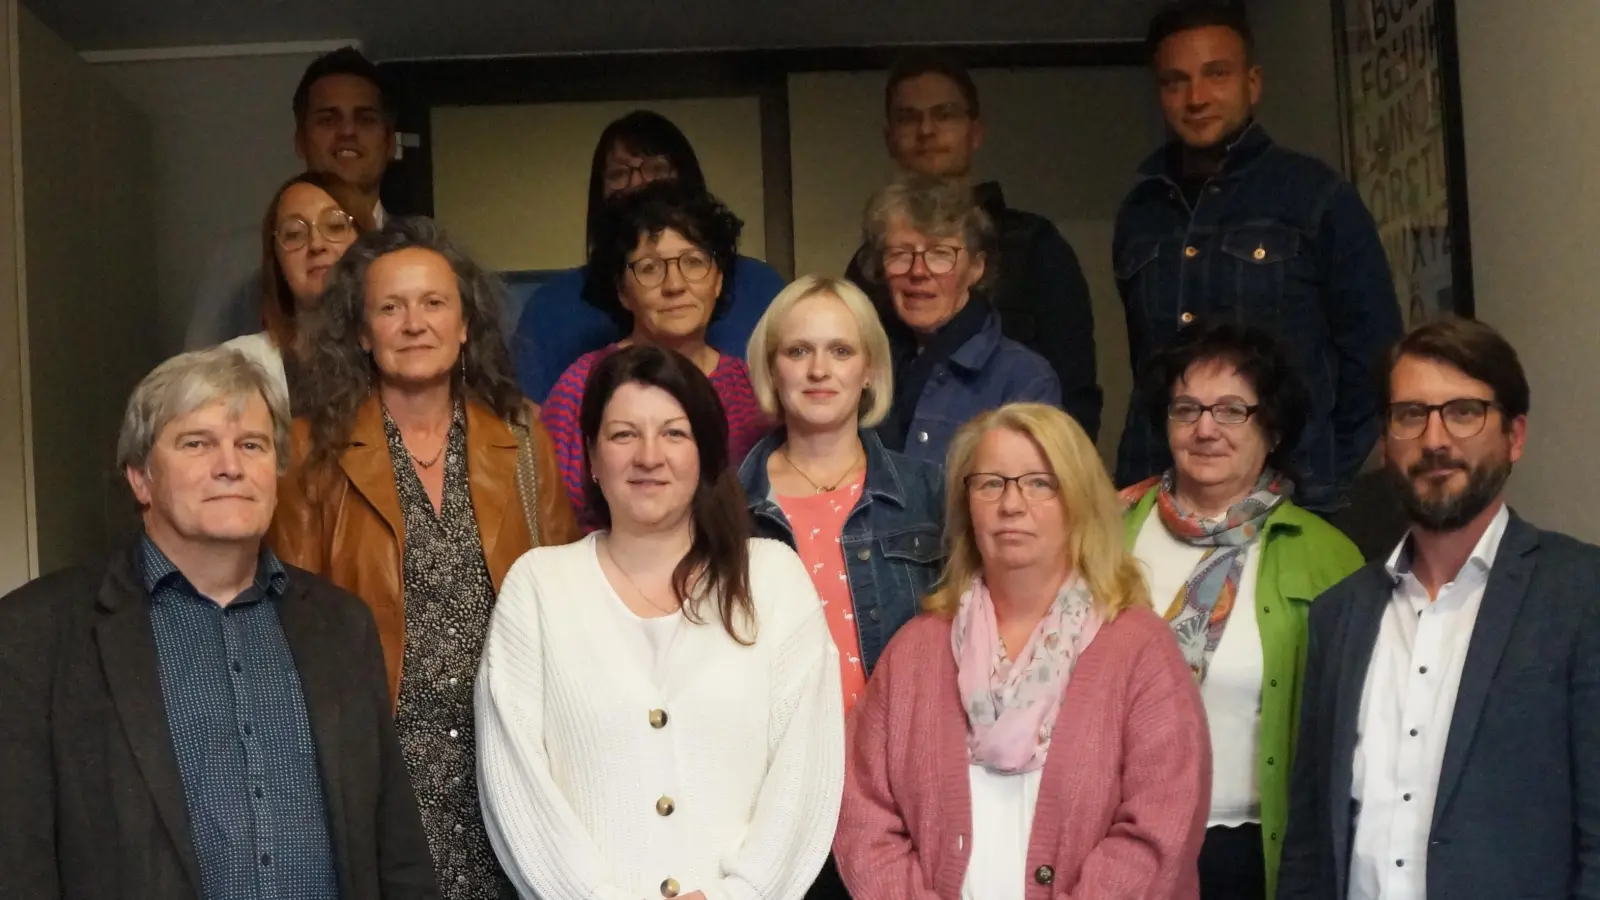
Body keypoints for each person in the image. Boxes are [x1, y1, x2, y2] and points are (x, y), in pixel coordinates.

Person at [0, 347, 439, 899]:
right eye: (197, 443)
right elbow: (18, 864)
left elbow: (394, 847)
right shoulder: (36, 636)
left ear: (276, 475)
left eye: (251, 445)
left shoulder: (341, 626)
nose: (230, 465)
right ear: (141, 479)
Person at [270, 218, 578, 899]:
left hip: (508, 764)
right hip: (381, 768)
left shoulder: (524, 441)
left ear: (466, 324)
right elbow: (288, 626)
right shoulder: (310, 451)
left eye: (434, 303)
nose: (414, 323)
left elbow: (569, 605)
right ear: (359, 331)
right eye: (390, 306)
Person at [479, 344, 844, 900]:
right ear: (593, 459)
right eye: (624, 435)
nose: (649, 456)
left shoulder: (772, 579)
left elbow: (806, 769)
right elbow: (517, 785)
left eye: (674, 434)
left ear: (705, 455)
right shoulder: (537, 588)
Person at [1278, 318, 1600, 900]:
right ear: (1385, 440)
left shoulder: (1580, 595)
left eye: (1464, 411)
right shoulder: (1339, 615)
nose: (1434, 440)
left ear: (1515, 436)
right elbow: (1309, 842)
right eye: (1410, 415)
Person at [836, 402, 1210, 899]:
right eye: (991, 483)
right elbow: (864, 818)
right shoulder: (915, 652)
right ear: (967, 504)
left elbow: (1161, 827)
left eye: (1039, 483)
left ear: (1078, 500)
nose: (1012, 504)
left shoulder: (1141, 650)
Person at [1114, 1, 1402, 513]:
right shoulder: (1140, 213)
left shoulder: (1317, 196)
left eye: (1216, 75)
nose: (1196, 97)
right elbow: (1147, 368)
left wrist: (1327, 474)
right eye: (1176, 81)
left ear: (1253, 83)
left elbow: (1376, 360)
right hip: (1160, 495)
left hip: (1291, 498)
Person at [1121, 321, 1362, 900]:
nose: (1206, 429)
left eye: (1232, 411)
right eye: (1186, 409)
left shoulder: (1328, 556)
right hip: (1120, 834)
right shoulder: (1107, 530)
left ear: (1272, 427)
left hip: (1251, 846)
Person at [843, 51, 1101, 440]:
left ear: (975, 132)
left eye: (944, 114)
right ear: (890, 138)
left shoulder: (1035, 245)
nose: (926, 130)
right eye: (908, 117)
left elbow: (1074, 394)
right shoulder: (866, 264)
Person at [511, 109, 787, 402]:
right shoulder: (555, 315)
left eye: (656, 168)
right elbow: (525, 426)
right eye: (619, 173)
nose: (638, 184)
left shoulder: (760, 290)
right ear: (623, 287)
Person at [542, 180, 771, 518]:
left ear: (718, 279)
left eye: (693, 262)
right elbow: (550, 520)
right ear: (622, 290)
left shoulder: (755, 392)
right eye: (650, 268)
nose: (675, 285)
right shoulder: (580, 388)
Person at [187, 46, 396, 350]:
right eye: (328, 119)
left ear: (389, 141)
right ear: (300, 140)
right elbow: (195, 384)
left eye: (365, 119)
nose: (347, 131)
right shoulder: (234, 261)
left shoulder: (423, 254)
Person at [858, 175, 1059, 467]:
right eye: (900, 254)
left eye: (940, 254)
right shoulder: (859, 365)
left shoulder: (1024, 379)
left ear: (977, 267)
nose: (918, 271)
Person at [223, 170, 378, 405]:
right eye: (294, 234)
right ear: (276, 260)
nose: (316, 244)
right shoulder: (240, 365)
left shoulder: (403, 353)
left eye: (335, 226)